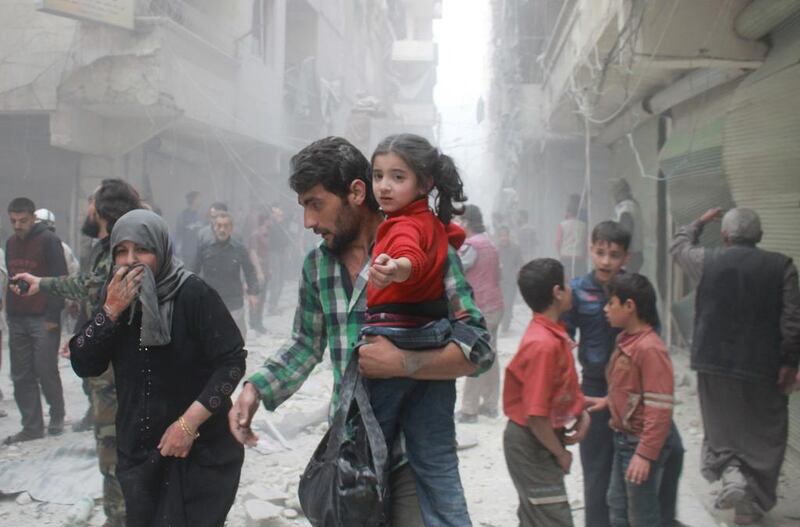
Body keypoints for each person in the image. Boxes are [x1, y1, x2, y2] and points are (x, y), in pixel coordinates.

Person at [228, 136, 493, 527]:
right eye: (303, 208)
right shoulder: (315, 267)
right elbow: (305, 342)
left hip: (410, 454)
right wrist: (255, 389)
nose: (308, 222)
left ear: (355, 192)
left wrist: (405, 362)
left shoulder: (423, 251)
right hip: (349, 453)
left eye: (316, 205)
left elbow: (479, 348)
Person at [69, 209, 246, 527]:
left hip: (200, 452)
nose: (130, 260)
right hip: (140, 453)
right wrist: (110, 311)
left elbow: (232, 361)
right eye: (122, 251)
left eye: (142, 250)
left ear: (162, 250)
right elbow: (84, 362)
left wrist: (188, 425)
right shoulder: (116, 298)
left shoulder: (193, 294)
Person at [12, 179, 142, 526]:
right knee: (110, 451)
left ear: (103, 209)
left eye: (91, 201)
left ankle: (123, 518)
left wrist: (45, 285)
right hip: (107, 366)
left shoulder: (122, 248)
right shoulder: (105, 246)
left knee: (116, 453)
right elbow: (93, 292)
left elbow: (95, 289)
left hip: (119, 371)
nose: (87, 207)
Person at [360, 133, 472, 525]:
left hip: (397, 336)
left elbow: (408, 256)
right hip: (432, 335)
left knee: (369, 452)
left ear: (424, 184)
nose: (384, 186)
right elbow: (438, 243)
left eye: (397, 177)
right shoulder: (434, 226)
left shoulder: (402, 226)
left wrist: (395, 269)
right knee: (439, 462)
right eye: (378, 176)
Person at [670, 207, 800, 525]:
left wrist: (698, 222)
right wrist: (790, 362)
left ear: (725, 237)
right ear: (760, 237)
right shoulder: (782, 267)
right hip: (764, 365)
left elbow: (677, 248)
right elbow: (792, 320)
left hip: (713, 362)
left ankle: (732, 475)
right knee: (765, 430)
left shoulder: (707, 260)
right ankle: (748, 502)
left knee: (721, 427)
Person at [563, 221, 683, 527]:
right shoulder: (577, 290)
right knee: (598, 471)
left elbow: (651, 340)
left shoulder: (637, 291)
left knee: (667, 454)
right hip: (595, 387)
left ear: (626, 257)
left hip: (637, 392)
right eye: (600, 252)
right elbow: (563, 340)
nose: (606, 261)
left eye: (614, 254)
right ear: (590, 250)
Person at [503, 258, 590, 526]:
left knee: (536, 517)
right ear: (557, 293)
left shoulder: (550, 334)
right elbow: (536, 416)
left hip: (539, 437)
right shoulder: (543, 345)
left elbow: (556, 391)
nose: (570, 288)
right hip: (532, 442)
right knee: (553, 518)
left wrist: (581, 412)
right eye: (565, 283)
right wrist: (560, 454)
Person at [586, 273, 677, 527]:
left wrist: (645, 455)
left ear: (629, 306)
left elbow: (659, 407)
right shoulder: (626, 340)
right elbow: (631, 388)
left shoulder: (650, 349)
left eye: (610, 303)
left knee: (641, 514)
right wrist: (608, 401)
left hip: (638, 443)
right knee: (617, 504)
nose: (606, 309)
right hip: (624, 439)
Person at [4, 197, 68, 444]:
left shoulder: (49, 241)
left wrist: (53, 315)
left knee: (45, 369)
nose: (18, 225)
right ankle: (31, 426)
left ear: (33, 218)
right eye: (13, 221)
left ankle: (57, 413)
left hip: (43, 316)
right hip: (18, 316)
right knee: (21, 374)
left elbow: (60, 279)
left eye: (22, 220)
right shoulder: (10, 243)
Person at [456, 204, 504, 423]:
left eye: (460, 222)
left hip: (481, 307)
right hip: (495, 305)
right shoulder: (490, 244)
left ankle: (469, 409)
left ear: (466, 223)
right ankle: (491, 404)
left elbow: (457, 268)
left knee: (476, 353)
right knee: (491, 355)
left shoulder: (471, 245)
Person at [193, 211, 259, 337]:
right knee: (212, 339)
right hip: (211, 301)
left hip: (234, 302)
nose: (222, 229)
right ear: (213, 228)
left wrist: (253, 293)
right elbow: (193, 272)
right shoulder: (205, 248)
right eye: (219, 225)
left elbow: (250, 272)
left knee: (236, 338)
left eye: (226, 226)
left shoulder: (239, 249)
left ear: (231, 228)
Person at [611, 179, 644, 273]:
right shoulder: (633, 206)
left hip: (629, 256)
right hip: (635, 254)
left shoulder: (625, 209)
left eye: (615, 192)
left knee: (626, 285)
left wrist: (621, 256)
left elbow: (625, 235)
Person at [248, 212, 271, 335]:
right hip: (258, 272)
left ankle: (257, 322)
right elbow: (253, 253)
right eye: (269, 220)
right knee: (256, 298)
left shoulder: (265, 235)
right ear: (265, 221)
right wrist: (259, 271)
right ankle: (254, 323)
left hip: (265, 271)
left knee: (262, 299)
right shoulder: (255, 235)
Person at [497, 225, 523, 333]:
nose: (504, 238)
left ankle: (505, 327)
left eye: (505, 235)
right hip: (499, 282)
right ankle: (503, 323)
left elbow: (520, 263)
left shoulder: (515, 248)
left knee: (508, 304)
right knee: (501, 305)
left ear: (508, 236)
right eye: (501, 236)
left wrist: (516, 274)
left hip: (511, 282)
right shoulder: (495, 249)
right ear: (499, 237)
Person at [556, 194, 587, 280]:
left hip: (565, 256)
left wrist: (560, 254)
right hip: (579, 257)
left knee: (566, 281)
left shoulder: (562, 225)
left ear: (568, 212)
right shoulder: (583, 225)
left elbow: (558, 242)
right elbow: (585, 243)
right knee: (578, 279)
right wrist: (584, 256)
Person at [266, 202, 290, 314]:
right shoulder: (269, 224)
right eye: (278, 210)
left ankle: (274, 304)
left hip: (281, 253)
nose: (281, 212)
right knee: (275, 280)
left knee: (281, 280)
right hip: (273, 253)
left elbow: (285, 239)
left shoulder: (282, 224)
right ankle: (271, 306)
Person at [175, 190, 203, 265]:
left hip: (201, 252)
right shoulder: (183, 216)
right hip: (188, 253)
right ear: (193, 200)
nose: (201, 200)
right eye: (199, 198)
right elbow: (178, 235)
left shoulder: (201, 215)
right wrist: (178, 252)